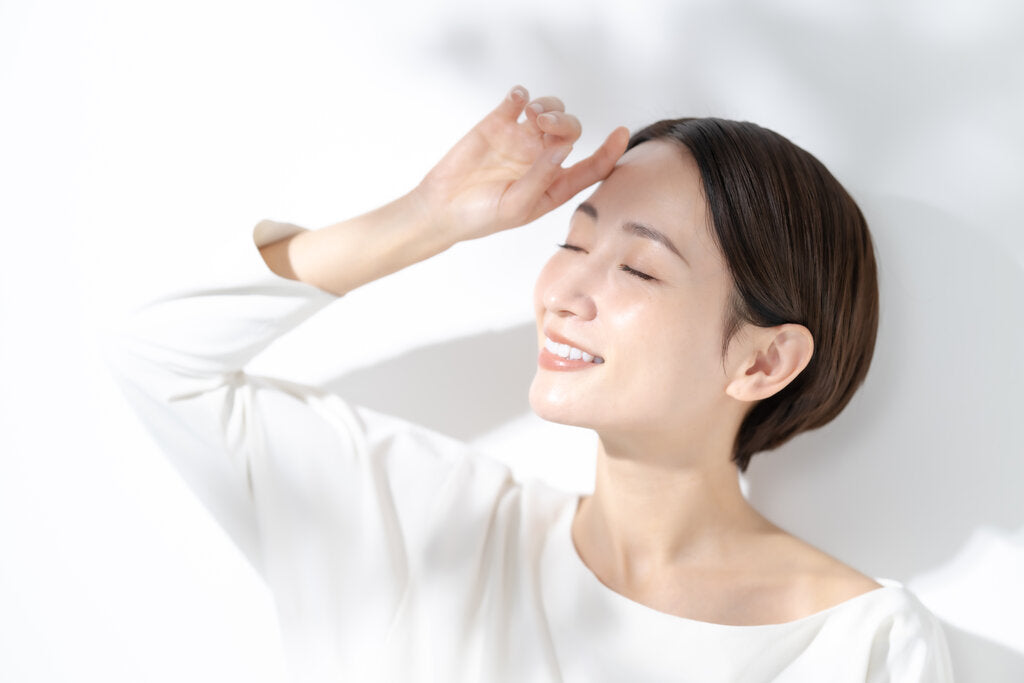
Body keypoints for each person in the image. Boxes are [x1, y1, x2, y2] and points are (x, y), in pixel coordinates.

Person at [106, 85, 954, 681]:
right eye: (573, 244)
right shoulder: (415, 520)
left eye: (640, 271)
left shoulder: (861, 648)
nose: (563, 294)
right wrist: (427, 216)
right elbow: (160, 356)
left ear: (763, 361)